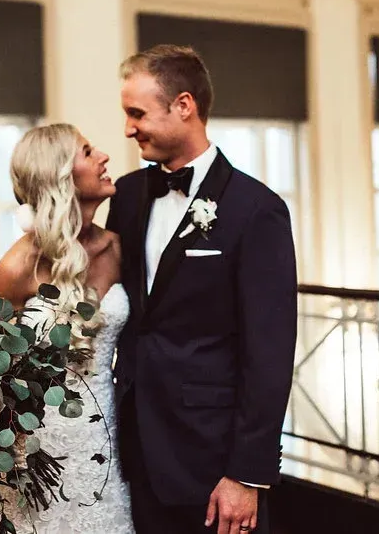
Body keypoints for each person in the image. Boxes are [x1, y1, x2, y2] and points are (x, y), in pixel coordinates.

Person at [106, 45, 298, 534]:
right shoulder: (126, 196)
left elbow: (270, 352)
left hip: (214, 460)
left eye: (137, 113)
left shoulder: (257, 209)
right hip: (135, 450)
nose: (129, 129)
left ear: (184, 106)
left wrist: (246, 473)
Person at [0, 123, 136, 533]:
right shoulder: (17, 268)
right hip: (37, 452)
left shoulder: (118, 249)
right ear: (60, 176)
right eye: (88, 152)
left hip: (105, 439)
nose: (104, 157)